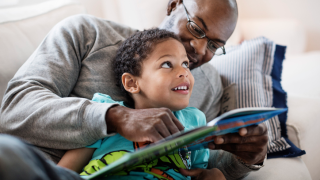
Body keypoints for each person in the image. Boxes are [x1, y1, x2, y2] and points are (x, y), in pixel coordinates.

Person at [0, 0, 268, 179]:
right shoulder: (87, 32)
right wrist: (115, 117)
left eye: (213, 45)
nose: (199, 49)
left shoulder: (206, 83)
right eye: (196, 27)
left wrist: (245, 159)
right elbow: (14, 110)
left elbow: (200, 163)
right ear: (174, 5)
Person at [58, 28, 226, 180]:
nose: (184, 72)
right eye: (167, 64)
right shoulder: (106, 114)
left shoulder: (195, 121)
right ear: (131, 83)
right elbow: (62, 172)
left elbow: (196, 173)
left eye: (185, 64)